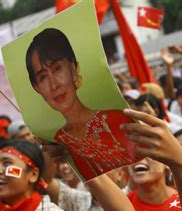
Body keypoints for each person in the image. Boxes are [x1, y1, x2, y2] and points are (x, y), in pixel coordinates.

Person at [25, 28, 140, 181]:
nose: (54, 85)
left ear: (73, 68)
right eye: (43, 77)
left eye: (57, 68)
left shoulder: (118, 119)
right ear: (37, 88)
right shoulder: (56, 143)